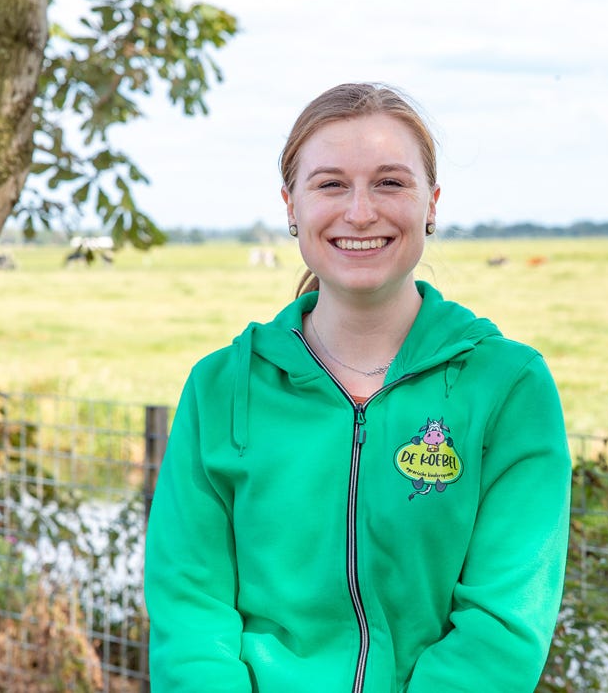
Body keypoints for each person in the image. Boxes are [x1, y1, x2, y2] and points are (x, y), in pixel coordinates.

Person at [144, 82, 572, 692]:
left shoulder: (509, 387)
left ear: (432, 203)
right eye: (331, 184)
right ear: (291, 205)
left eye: (391, 182)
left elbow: (504, 625)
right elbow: (190, 611)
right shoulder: (219, 388)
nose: (361, 211)